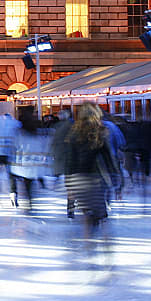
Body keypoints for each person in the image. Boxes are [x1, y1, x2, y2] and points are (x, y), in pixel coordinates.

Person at [57, 103, 116, 265]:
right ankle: (106, 249)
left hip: (78, 179)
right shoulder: (100, 133)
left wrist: (69, 184)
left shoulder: (73, 134)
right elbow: (109, 159)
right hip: (95, 180)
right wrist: (116, 179)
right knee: (101, 216)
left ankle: (89, 247)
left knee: (87, 216)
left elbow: (70, 162)